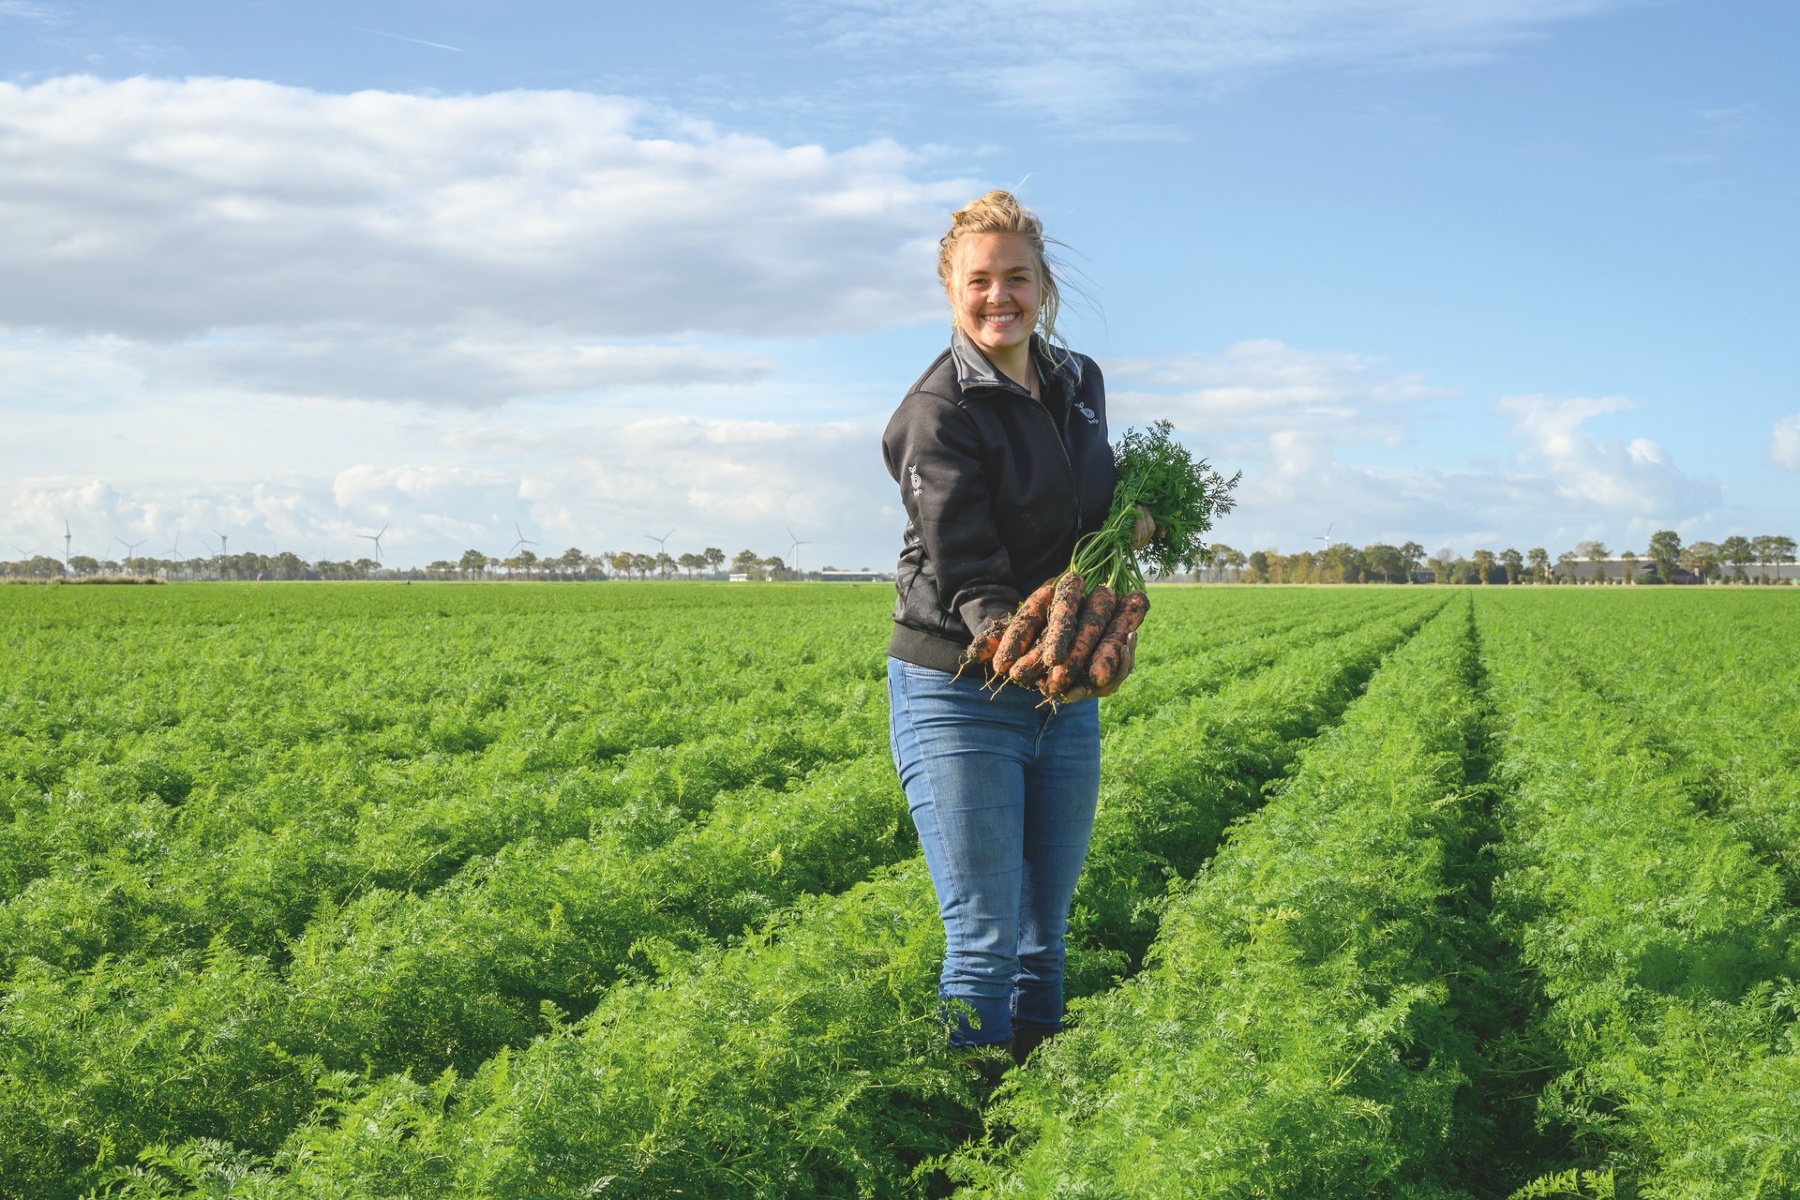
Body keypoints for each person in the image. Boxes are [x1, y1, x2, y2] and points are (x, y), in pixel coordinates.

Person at [882, 190, 1140, 1064]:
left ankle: (1035, 1128)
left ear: (1043, 286)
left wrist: (1137, 525)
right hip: (960, 686)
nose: (1001, 297)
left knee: (1045, 936)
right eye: (980, 280)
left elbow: (1090, 505)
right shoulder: (937, 412)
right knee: (985, 939)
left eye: (1017, 278)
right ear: (951, 288)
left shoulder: (1080, 383)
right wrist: (1023, 641)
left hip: (1059, 689)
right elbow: (972, 572)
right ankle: (976, 1136)